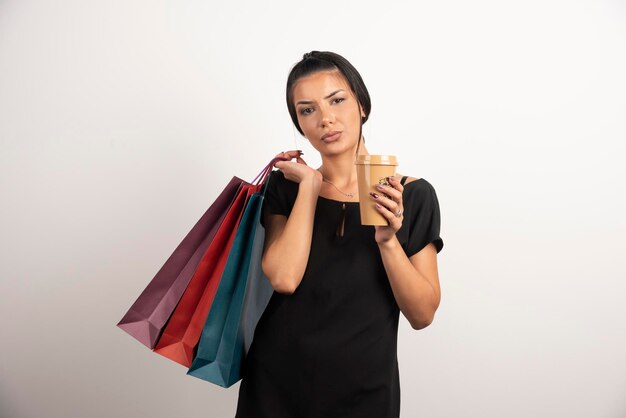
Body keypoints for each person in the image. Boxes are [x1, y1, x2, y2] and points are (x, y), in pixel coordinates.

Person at [235, 51, 444, 418]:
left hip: (364, 392)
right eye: (307, 110)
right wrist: (310, 186)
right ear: (300, 124)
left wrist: (387, 240)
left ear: (362, 105)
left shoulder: (411, 195)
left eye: (337, 100)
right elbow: (284, 278)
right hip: (276, 386)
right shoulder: (287, 188)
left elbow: (422, 314)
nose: (325, 118)